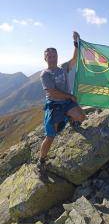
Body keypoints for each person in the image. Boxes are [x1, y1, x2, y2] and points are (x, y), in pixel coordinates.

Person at [37, 31, 86, 176]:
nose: (52, 58)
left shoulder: (63, 67)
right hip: (54, 104)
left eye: (54, 56)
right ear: (45, 58)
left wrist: (76, 43)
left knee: (82, 117)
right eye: (49, 56)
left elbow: (74, 59)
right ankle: (41, 160)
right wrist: (70, 96)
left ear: (57, 57)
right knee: (51, 136)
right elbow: (52, 92)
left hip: (67, 102)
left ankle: (71, 119)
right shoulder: (45, 74)